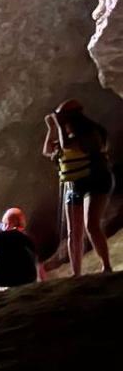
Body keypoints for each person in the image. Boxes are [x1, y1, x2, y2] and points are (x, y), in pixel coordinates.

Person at [43, 99, 114, 276]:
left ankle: (106, 266)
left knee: (91, 225)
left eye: (63, 118)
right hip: (74, 184)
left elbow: (69, 145)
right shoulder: (64, 135)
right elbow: (47, 151)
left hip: (95, 181)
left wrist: (59, 126)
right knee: (73, 231)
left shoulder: (90, 134)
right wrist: (52, 129)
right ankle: (76, 273)